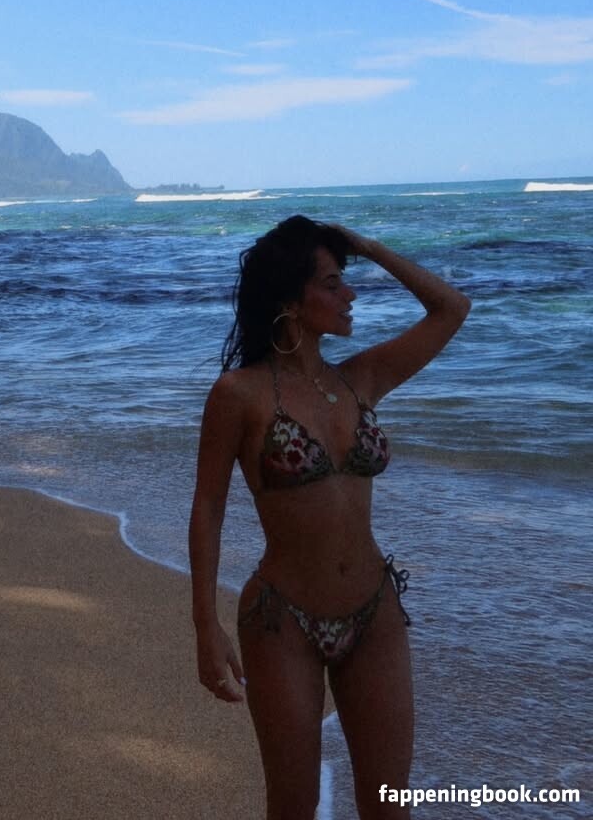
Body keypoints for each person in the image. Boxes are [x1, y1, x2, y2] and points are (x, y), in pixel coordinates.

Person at [189, 215, 471, 820]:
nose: (351, 295)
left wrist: (366, 245)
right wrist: (205, 625)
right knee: (294, 806)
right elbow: (208, 508)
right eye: (333, 283)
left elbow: (451, 308)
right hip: (282, 621)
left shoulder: (361, 379)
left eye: (347, 279)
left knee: (389, 806)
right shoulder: (238, 394)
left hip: (375, 614)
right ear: (291, 300)